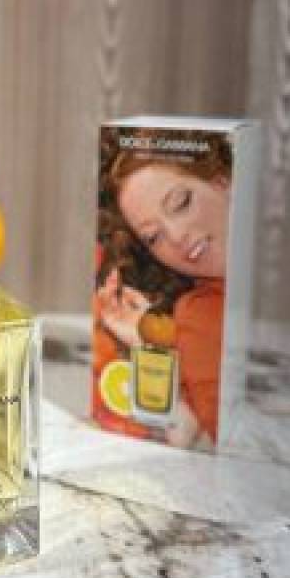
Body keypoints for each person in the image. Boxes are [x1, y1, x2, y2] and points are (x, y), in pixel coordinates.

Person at [94, 137, 231, 447]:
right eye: (153, 237)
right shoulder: (200, 314)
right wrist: (147, 342)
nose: (178, 236)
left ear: (222, 181)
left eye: (181, 203)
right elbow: (212, 437)